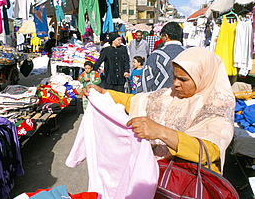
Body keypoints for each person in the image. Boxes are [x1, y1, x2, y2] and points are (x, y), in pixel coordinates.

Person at [85, 47, 235, 174]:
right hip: (156, 176)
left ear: (204, 77)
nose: (175, 84)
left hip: (187, 182)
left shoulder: (216, 107)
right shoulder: (168, 95)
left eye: (183, 80)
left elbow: (210, 150)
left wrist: (161, 132)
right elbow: (136, 102)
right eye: (174, 77)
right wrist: (104, 93)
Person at [136, 22, 185, 93]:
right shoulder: (189, 53)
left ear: (166, 36)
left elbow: (145, 83)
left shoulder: (156, 55)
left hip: (161, 99)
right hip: (185, 100)